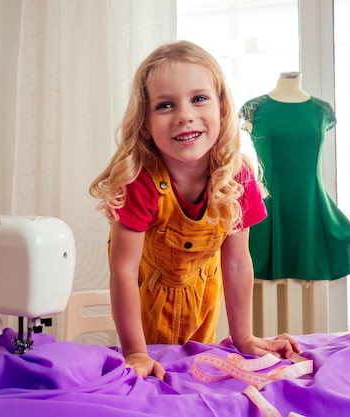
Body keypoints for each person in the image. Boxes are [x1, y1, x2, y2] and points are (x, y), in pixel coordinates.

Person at [89, 41, 301, 380]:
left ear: (222, 109)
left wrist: (243, 336)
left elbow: (235, 262)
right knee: (154, 378)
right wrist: (135, 352)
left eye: (199, 98)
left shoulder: (237, 177)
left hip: (204, 298)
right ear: (144, 124)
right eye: (165, 105)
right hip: (148, 303)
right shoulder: (139, 181)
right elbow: (124, 271)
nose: (185, 115)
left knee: (193, 376)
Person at [239, 73, 350, 281]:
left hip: (312, 206)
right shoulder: (254, 109)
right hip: (268, 205)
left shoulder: (322, 111)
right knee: (253, 286)